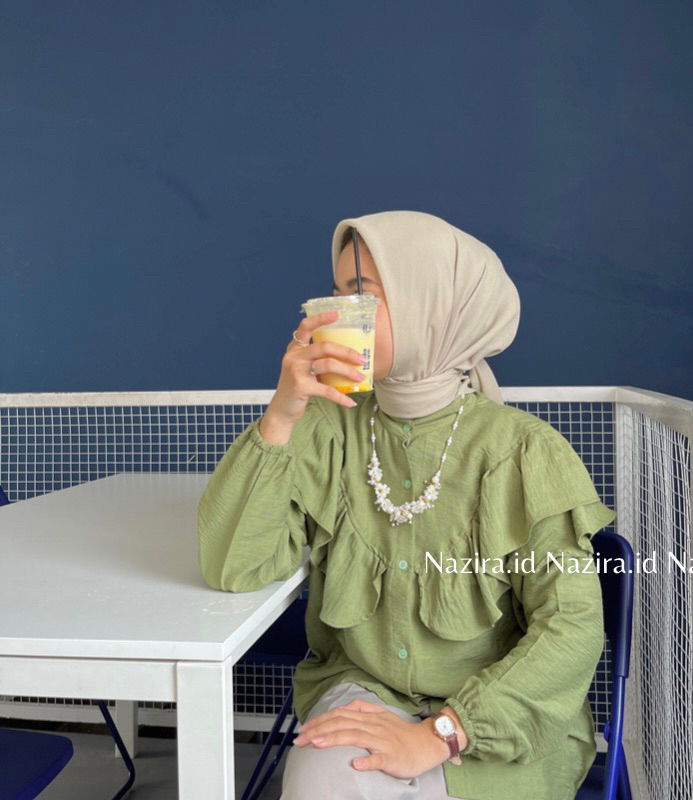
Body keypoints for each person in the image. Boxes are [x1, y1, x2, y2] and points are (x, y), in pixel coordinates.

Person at [197, 210, 616, 800]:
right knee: (324, 786)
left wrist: (443, 732)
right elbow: (232, 567)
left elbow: (570, 626)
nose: (336, 314)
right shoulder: (327, 428)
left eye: (363, 295)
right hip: (363, 692)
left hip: (496, 728)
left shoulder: (524, 451)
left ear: (432, 306)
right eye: (337, 294)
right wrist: (282, 414)